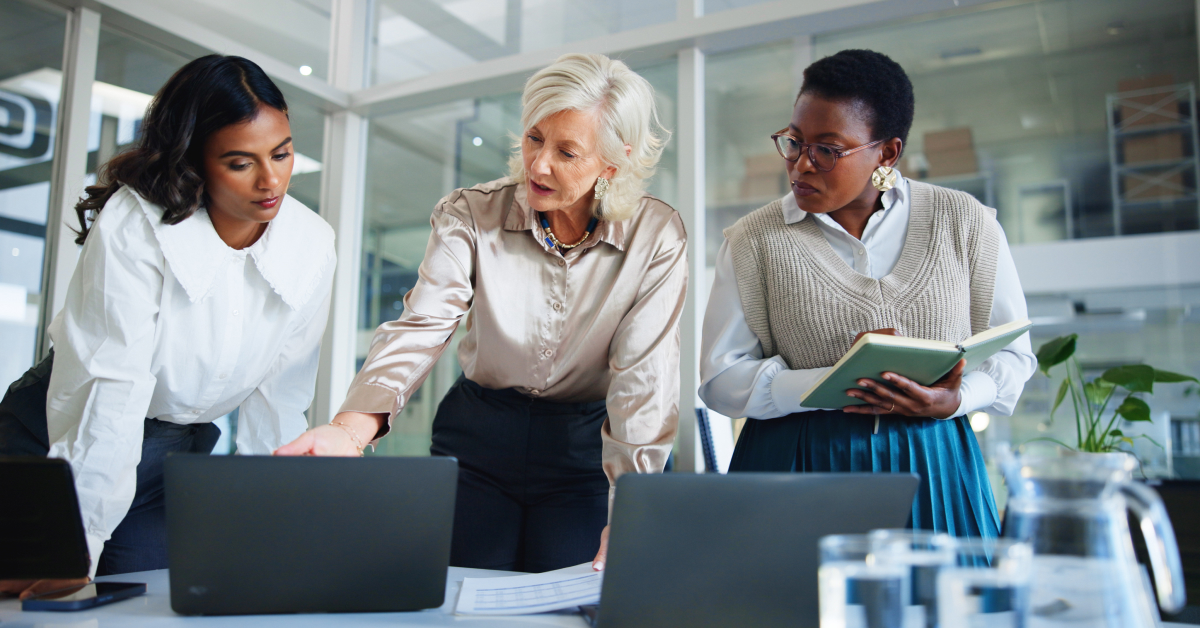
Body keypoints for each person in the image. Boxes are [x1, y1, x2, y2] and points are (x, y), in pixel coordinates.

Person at [276, 52, 685, 573]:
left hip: (584, 451)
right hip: (479, 440)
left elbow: (645, 377)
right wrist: (350, 430)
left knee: (570, 594)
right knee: (462, 594)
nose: (538, 164)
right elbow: (421, 326)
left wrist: (633, 505)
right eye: (534, 138)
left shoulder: (655, 236)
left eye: (566, 152)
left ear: (613, 161)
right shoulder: (470, 213)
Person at [0, 54, 335, 595]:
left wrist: (276, 532)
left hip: (172, 457)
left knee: (145, 605)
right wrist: (78, 542)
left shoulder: (311, 243)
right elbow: (109, 390)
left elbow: (279, 400)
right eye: (240, 162)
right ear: (194, 158)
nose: (271, 179)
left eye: (281, 153)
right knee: (28, 603)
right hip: (58, 440)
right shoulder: (136, 223)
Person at [698, 49, 1035, 537]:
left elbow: (1013, 355)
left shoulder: (965, 222)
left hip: (934, 465)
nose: (801, 165)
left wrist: (958, 398)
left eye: (827, 150)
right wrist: (835, 381)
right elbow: (720, 380)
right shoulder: (753, 239)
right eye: (794, 142)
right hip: (794, 462)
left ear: (887, 153)